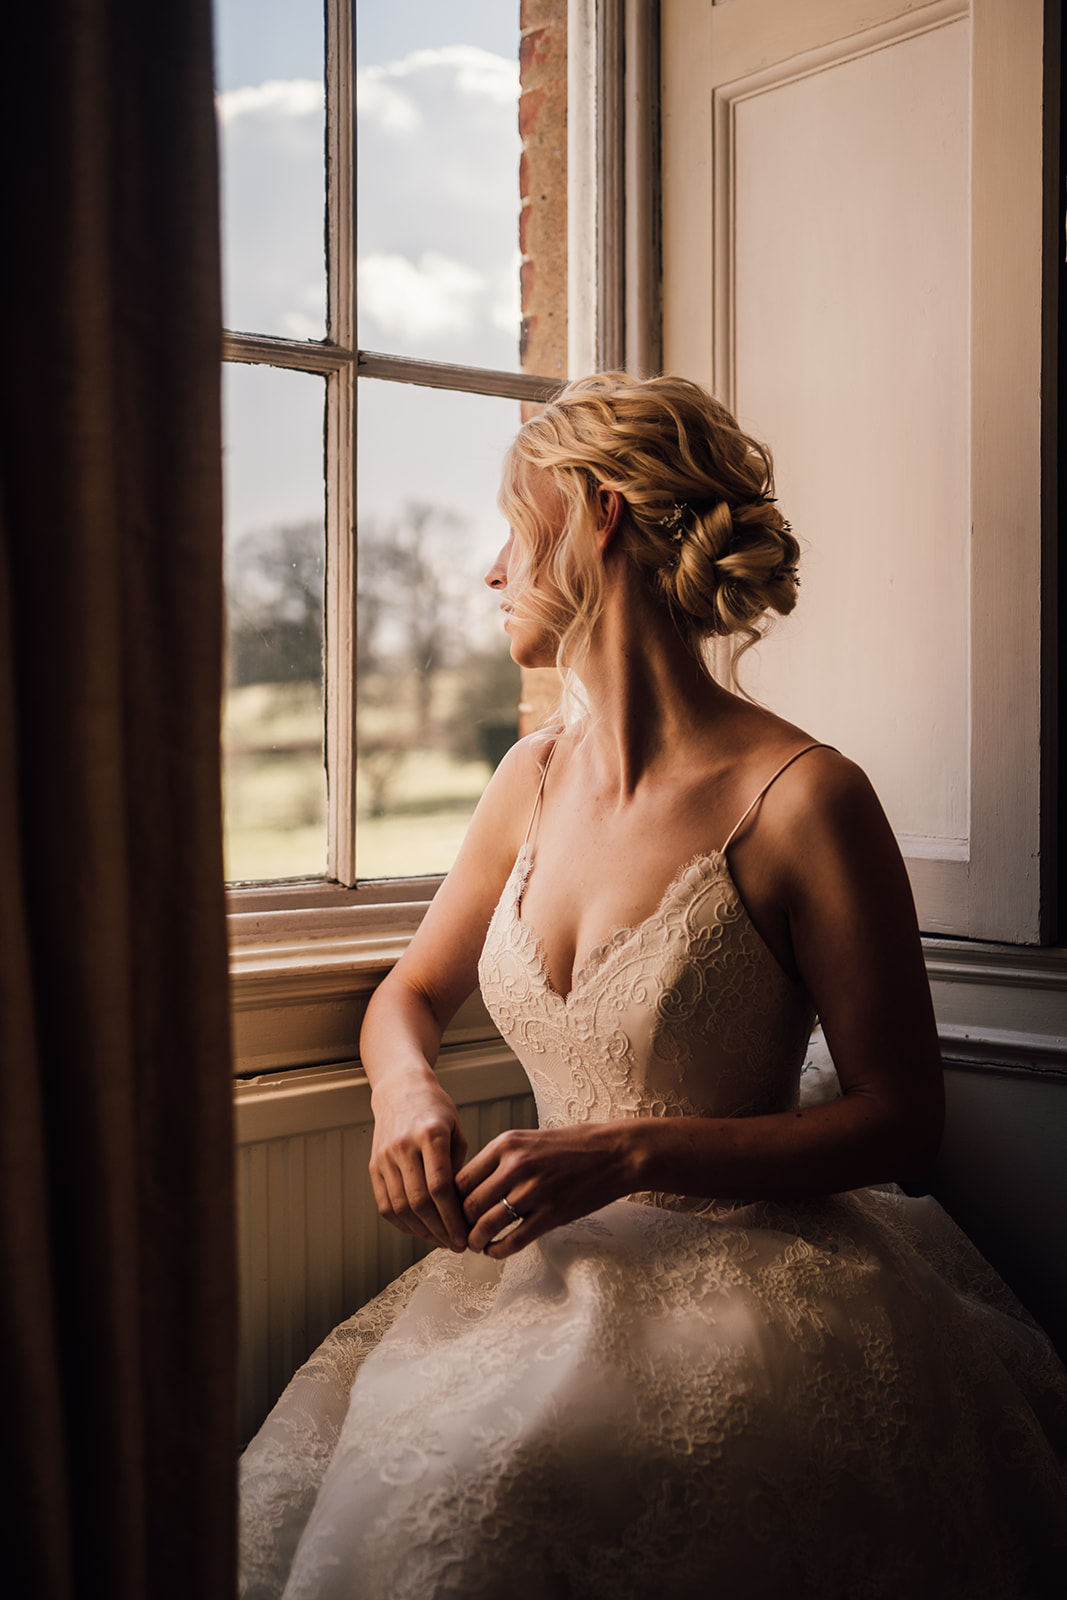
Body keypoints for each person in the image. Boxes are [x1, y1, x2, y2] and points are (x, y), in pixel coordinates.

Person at [239, 374, 1067, 1600]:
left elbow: (901, 1119)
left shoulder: (805, 797)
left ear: (600, 514)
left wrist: (624, 1153)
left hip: (748, 1294)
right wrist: (401, 1096)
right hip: (527, 1274)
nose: (490, 571)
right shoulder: (528, 777)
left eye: (512, 530)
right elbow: (408, 992)